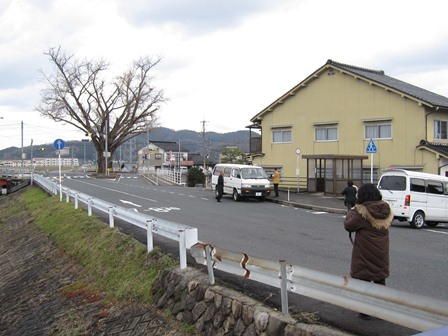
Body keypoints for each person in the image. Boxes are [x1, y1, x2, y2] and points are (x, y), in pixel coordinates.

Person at [344, 183, 393, 320]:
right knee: (379, 278)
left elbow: (348, 226)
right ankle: (381, 308)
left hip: (365, 252)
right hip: (381, 251)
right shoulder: (385, 209)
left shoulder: (361, 212)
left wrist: (353, 210)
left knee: (364, 279)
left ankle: (365, 311)